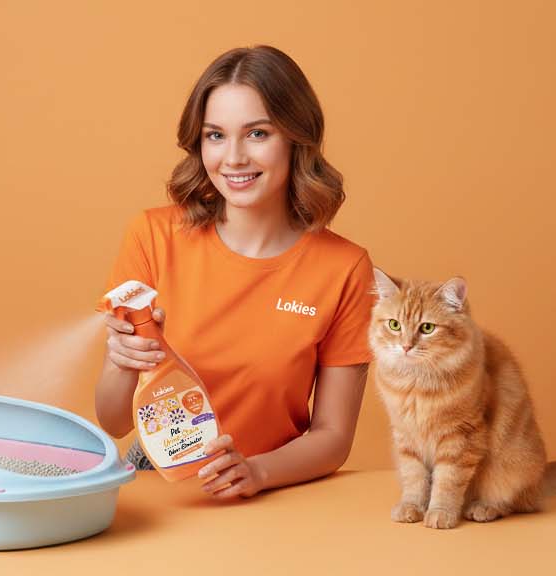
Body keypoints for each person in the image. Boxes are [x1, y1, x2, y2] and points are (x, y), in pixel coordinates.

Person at [94, 45, 376, 500]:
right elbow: (113, 420)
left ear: (297, 138)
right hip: (157, 484)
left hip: (274, 486)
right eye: (216, 135)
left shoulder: (344, 268)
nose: (234, 158)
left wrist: (257, 473)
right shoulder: (152, 235)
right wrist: (124, 360)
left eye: (258, 133)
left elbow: (333, 436)